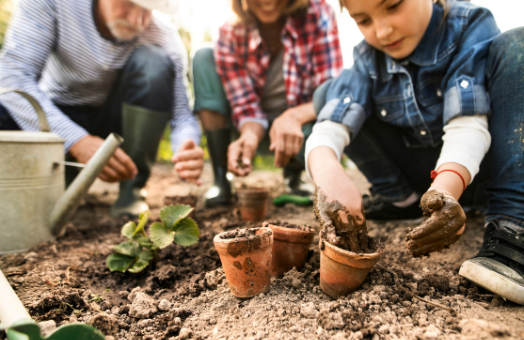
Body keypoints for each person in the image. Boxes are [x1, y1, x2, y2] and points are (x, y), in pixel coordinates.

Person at [307, 0, 524, 304]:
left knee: (519, 43)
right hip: (424, 177)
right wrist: (329, 175)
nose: (382, 31)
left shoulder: (469, 25)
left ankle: (513, 226)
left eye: (393, 6)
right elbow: (329, 128)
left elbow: (468, 126)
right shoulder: (367, 58)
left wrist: (445, 190)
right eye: (363, 20)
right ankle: (403, 201)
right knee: (327, 95)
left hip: (484, 170)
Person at [0, 0, 204, 217]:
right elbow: (13, 76)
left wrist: (186, 145)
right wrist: (76, 141)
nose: (137, 20)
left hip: (116, 124)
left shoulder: (162, 36)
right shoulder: (52, 3)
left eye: (148, 10)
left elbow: (181, 114)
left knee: (154, 62)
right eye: (129, 4)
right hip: (57, 117)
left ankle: (131, 190)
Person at [192, 0, 343, 207]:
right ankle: (220, 176)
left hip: (302, 129)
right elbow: (245, 105)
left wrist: (292, 118)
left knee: (335, 121)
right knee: (203, 56)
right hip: (253, 131)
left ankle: (294, 172)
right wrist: (250, 135)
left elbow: (329, 93)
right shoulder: (230, 32)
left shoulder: (318, 14)